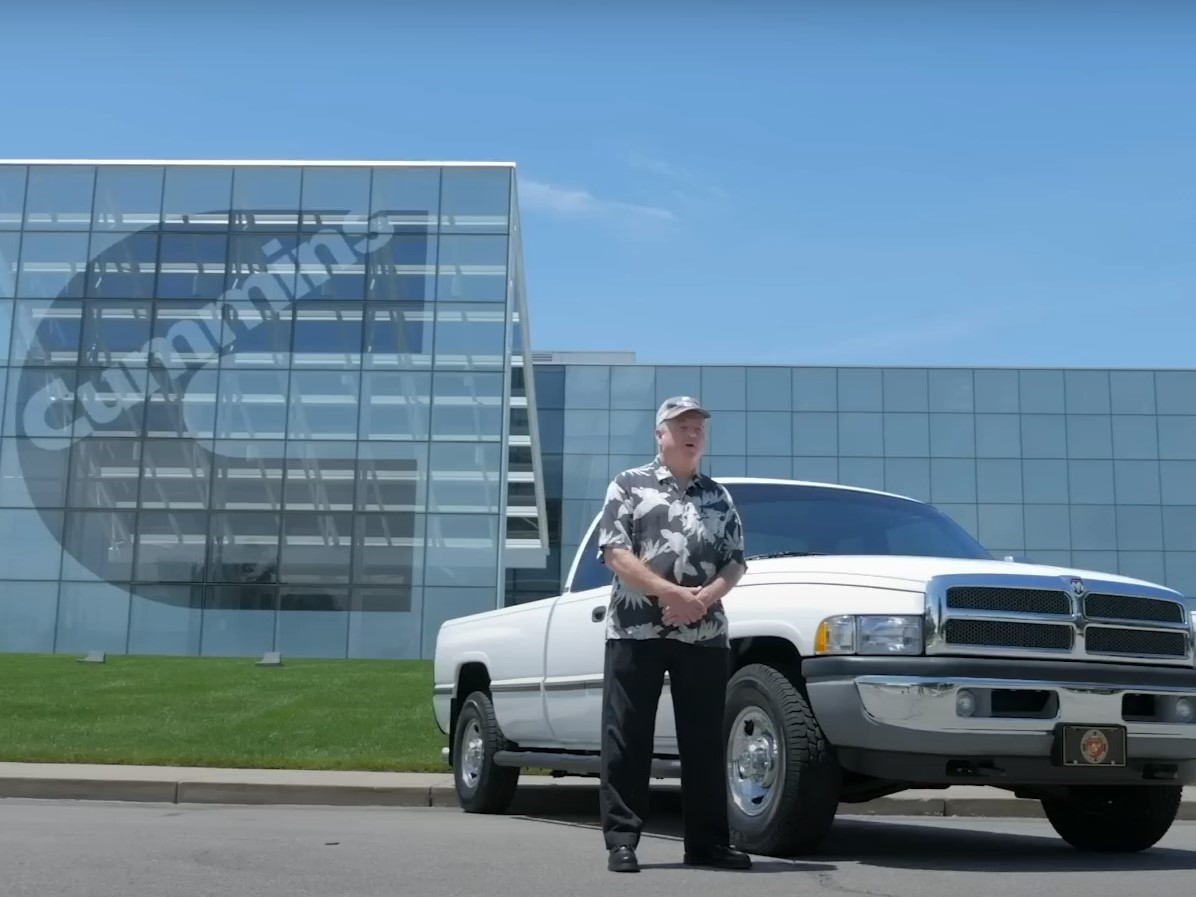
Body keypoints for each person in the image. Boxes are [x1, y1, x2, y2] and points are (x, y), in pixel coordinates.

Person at [595, 395, 751, 873]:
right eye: (681, 424)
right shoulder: (628, 485)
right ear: (660, 434)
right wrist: (670, 594)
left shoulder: (717, 496)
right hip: (636, 630)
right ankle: (622, 841)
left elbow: (735, 560)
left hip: (703, 635)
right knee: (628, 737)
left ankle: (707, 844)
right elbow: (614, 551)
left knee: (704, 740)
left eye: (698, 426)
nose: (692, 432)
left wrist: (701, 601)